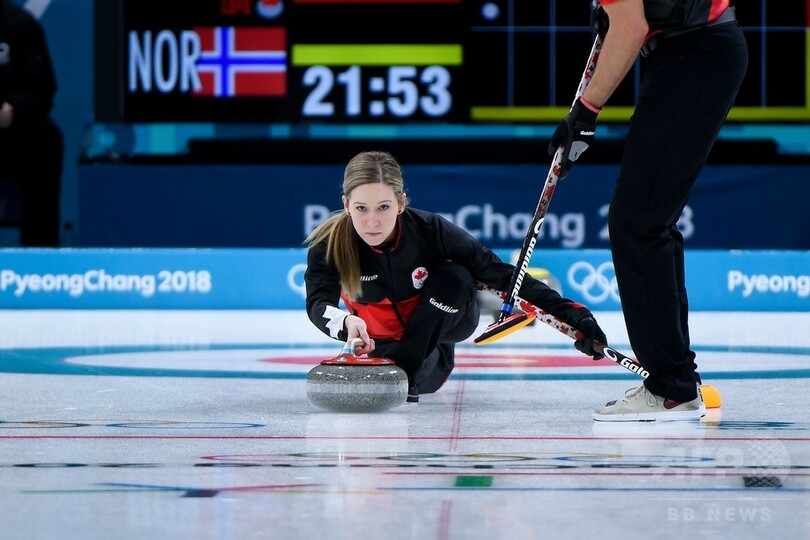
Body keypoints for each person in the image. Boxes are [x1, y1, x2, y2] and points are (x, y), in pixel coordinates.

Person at [549, 0, 747, 421]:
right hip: (697, 53)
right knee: (649, 222)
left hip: (695, 55)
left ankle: (670, 387)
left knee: (638, 223)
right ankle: (675, 379)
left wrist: (585, 112)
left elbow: (631, 25)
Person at [304, 150, 608, 403]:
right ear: (345, 205)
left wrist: (575, 316)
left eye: (383, 207)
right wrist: (344, 323)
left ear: (402, 203)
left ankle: (406, 372)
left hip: (437, 339)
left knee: (455, 276)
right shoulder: (329, 245)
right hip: (378, 347)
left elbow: (503, 276)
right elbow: (319, 303)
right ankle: (399, 367)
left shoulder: (430, 231)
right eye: (361, 208)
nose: (372, 221)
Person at [0, 0, 63, 246]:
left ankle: (41, 259)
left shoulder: (21, 24)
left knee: (47, 139)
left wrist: (14, 108)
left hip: (14, 132)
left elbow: (44, 89)